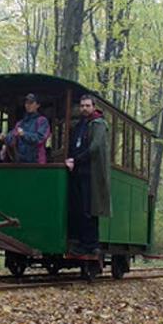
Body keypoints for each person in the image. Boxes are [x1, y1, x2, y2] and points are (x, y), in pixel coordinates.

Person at [65, 94, 111, 255]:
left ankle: (91, 244)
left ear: (93, 106)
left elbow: (95, 148)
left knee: (88, 209)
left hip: (90, 173)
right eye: (82, 106)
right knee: (77, 208)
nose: (84, 108)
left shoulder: (98, 124)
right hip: (77, 172)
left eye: (87, 106)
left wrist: (75, 160)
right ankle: (78, 241)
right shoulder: (79, 125)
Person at [4, 93, 50, 163]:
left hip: (37, 163)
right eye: (26, 103)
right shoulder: (20, 123)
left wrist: (24, 135)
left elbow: (40, 138)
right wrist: (6, 137)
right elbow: (12, 137)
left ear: (38, 105)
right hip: (21, 163)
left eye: (31, 103)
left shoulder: (42, 121)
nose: (28, 105)